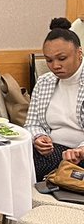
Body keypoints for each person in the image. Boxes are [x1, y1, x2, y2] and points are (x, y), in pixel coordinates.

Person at [27, 17, 84, 180]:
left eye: (62, 58)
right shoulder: (45, 82)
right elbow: (32, 123)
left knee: (29, 166)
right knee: (15, 156)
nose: (55, 66)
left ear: (79, 53)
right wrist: (39, 137)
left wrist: (80, 150)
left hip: (78, 153)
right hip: (53, 150)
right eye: (49, 60)